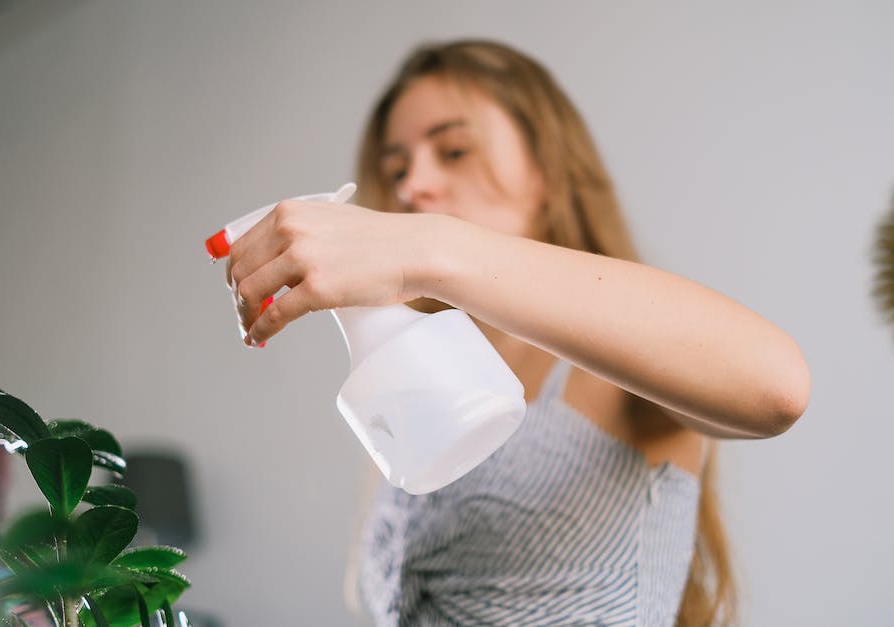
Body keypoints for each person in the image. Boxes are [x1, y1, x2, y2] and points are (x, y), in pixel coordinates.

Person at [226, 40, 810, 626]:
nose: (412, 188)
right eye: (396, 168)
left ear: (549, 172)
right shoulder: (432, 376)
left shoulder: (617, 366)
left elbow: (776, 388)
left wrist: (427, 244)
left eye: (453, 151)